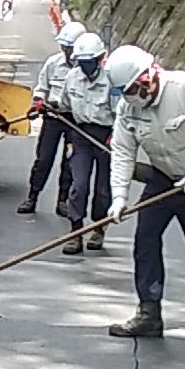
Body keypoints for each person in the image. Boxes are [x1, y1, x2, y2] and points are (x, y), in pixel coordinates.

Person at [104, 45, 185, 337]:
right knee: (145, 238)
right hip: (162, 179)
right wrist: (119, 196)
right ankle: (149, 311)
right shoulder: (128, 107)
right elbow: (122, 151)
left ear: (149, 76)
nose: (132, 96)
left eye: (134, 88)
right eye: (125, 92)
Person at [17, 20, 86, 216]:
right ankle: (33, 196)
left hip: (75, 121)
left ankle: (63, 200)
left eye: (69, 47)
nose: (66, 51)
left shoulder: (86, 69)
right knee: (44, 158)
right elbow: (42, 88)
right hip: (52, 118)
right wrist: (38, 101)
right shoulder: (53, 64)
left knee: (70, 161)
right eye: (64, 47)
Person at [57, 32, 114, 255]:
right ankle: (76, 231)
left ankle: (99, 228)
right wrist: (43, 104)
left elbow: (122, 115)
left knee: (102, 188)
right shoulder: (72, 77)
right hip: (80, 134)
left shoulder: (111, 81)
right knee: (78, 184)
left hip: (106, 136)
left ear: (99, 59)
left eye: (90, 63)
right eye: (82, 63)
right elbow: (63, 104)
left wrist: (114, 138)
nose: (86, 67)